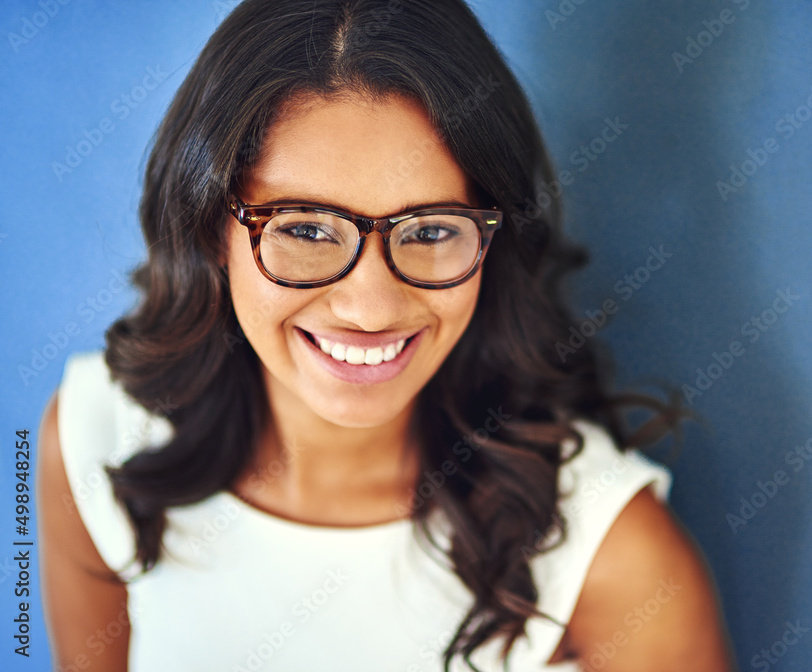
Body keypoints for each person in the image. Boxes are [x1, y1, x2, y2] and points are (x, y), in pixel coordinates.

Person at [38, 1, 734, 670]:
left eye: (430, 230)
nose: (369, 307)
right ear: (207, 230)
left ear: (494, 242)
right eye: (305, 229)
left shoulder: (615, 559)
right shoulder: (93, 440)